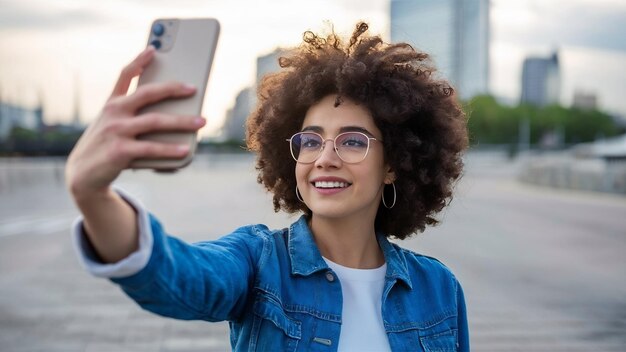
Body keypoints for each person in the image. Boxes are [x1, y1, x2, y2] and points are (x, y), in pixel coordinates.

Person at [66, 22, 470, 351]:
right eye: (310, 140)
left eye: (352, 141)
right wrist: (93, 195)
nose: (324, 158)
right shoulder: (258, 262)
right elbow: (176, 276)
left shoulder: (438, 288)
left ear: (394, 165)